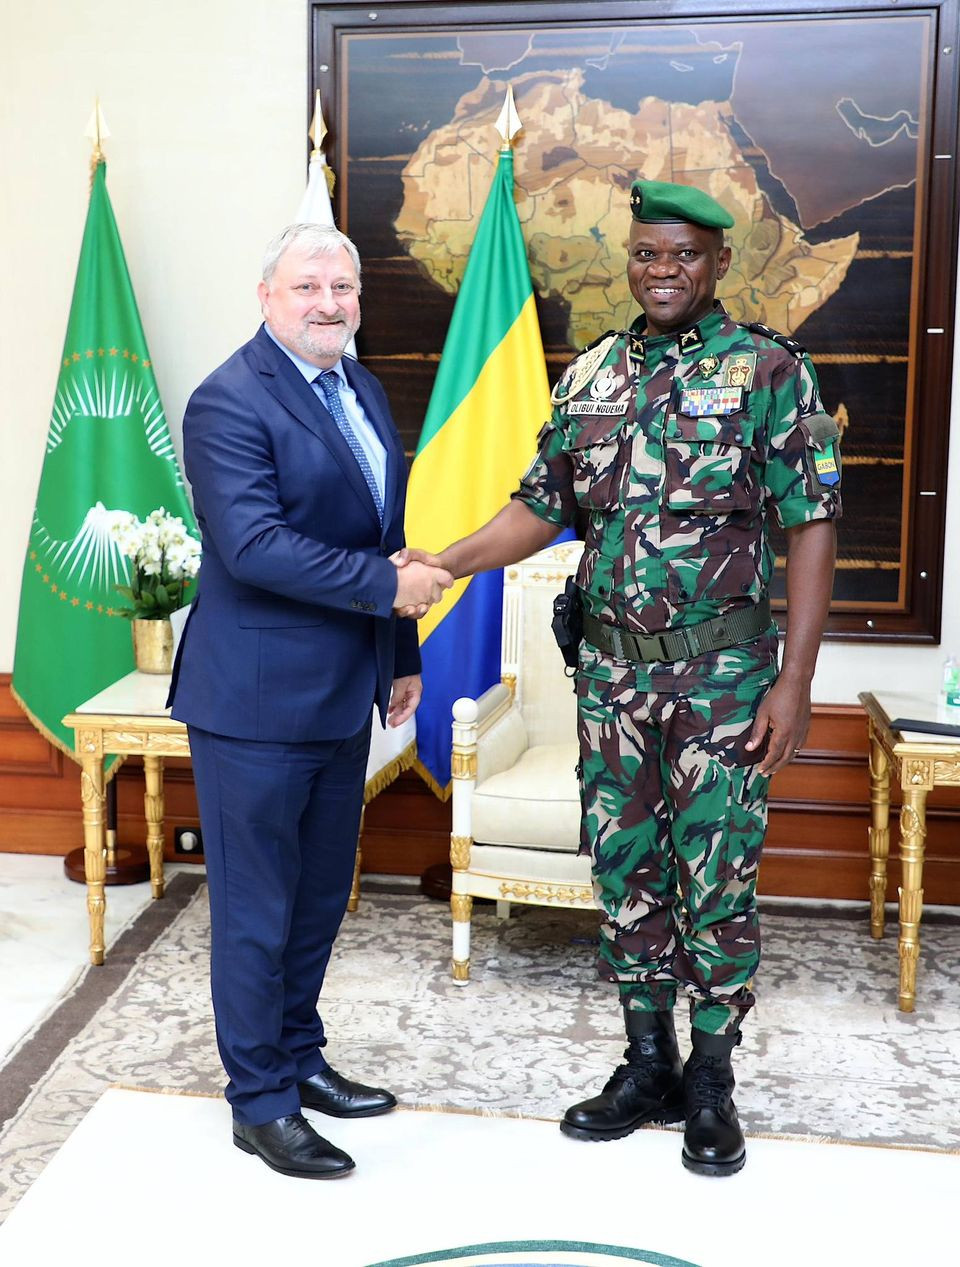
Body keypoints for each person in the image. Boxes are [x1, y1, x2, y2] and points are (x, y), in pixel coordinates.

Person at [400, 179, 840, 1176]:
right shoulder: (593, 373)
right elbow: (540, 504)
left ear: (720, 262)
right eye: (646, 253)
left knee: (717, 880)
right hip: (610, 681)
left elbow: (812, 526)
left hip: (723, 681)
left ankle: (713, 1081)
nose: (662, 270)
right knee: (627, 873)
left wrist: (796, 681)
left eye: (683, 254)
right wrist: (445, 559)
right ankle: (648, 1064)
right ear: (630, 258)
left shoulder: (769, 370)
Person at [168, 223, 452, 1179]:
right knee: (257, 907)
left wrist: (399, 650)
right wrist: (387, 590)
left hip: (341, 695)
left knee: (321, 898)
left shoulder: (359, 387)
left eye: (345, 286)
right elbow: (253, 548)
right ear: (266, 295)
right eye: (308, 287)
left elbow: (388, 532)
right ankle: (260, 1102)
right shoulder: (227, 402)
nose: (330, 302)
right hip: (252, 703)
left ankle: (297, 1055)